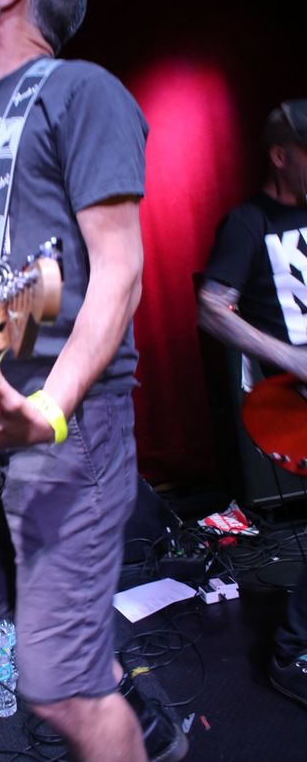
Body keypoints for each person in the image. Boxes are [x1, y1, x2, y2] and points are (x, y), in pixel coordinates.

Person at [0, 0, 187, 762]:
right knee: (23, 636)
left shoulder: (81, 92)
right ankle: (145, 726)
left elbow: (120, 270)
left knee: (59, 683)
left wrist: (51, 410)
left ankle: (131, 732)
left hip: (67, 427)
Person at [198, 98, 307, 708]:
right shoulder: (247, 224)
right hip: (297, 397)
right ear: (281, 156)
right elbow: (212, 308)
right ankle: (291, 654)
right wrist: (290, 357)